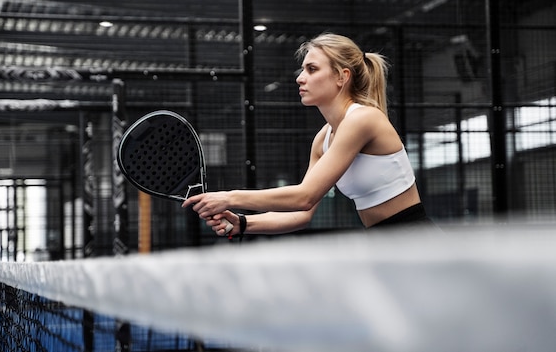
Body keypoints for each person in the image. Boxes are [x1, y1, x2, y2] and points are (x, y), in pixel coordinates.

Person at [182, 32, 434, 237]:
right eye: (302, 70)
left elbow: (304, 196)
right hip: (384, 245)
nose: (300, 78)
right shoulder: (323, 139)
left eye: (312, 69)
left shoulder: (362, 119)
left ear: (341, 76)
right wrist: (243, 222)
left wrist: (229, 197)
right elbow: (302, 214)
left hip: (416, 241)